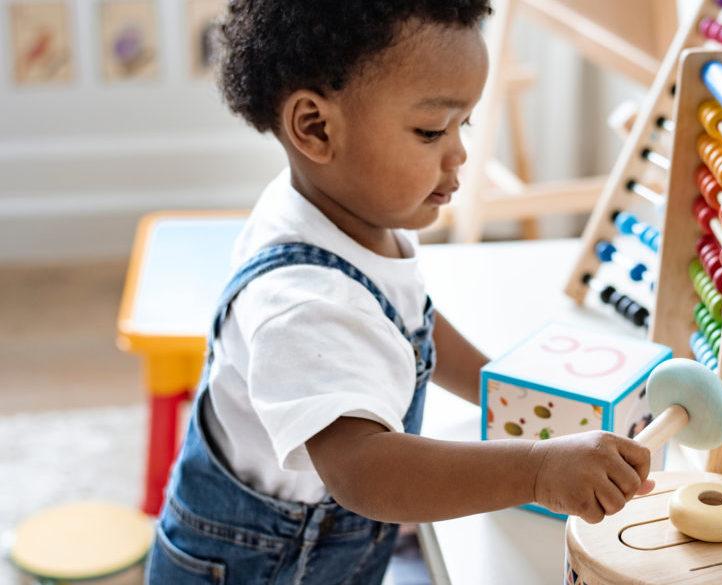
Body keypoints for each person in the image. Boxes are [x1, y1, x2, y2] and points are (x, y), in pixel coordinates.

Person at [147, 2, 654, 583]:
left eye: (463, 125)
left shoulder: (353, 216)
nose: (460, 152)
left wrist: (503, 390)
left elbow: (413, 323)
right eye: (432, 130)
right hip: (254, 566)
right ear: (315, 127)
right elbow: (365, 471)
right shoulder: (302, 304)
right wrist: (536, 471)